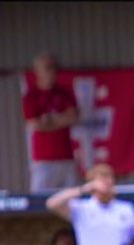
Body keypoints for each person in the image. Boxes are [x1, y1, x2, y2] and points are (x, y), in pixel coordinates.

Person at [23, 52, 80, 192]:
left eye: (55, 68)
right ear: (37, 71)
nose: (52, 72)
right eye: (48, 67)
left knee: (70, 197)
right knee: (40, 197)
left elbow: (73, 117)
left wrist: (50, 120)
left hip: (66, 157)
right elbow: (35, 124)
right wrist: (60, 119)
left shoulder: (64, 93)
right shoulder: (31, 96)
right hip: (43, 159)